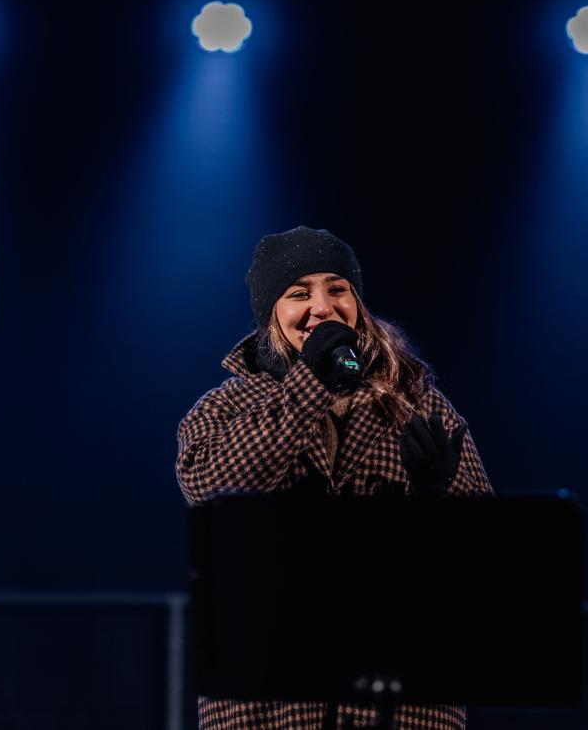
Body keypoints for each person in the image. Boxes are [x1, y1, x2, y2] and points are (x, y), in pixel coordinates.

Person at [176, 225, 494, 730]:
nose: (323, 307)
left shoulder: (418, 404)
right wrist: (312, 384)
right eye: (299, 293)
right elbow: (212, 487)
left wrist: (432, 506)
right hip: (269, 706)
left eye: (337, 289)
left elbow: (488, 565)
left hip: (400, 705)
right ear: (271, 312)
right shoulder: (224, 408)